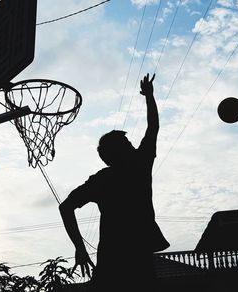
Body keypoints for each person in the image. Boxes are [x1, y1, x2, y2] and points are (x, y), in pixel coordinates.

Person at [59, 73, 169, 290]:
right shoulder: (140, 165)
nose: (131, 144)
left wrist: (79, 248)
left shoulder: (102, 179)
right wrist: (149, 96)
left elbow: (65, 208)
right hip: (136, 257)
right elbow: (153, 127)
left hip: (113, 258)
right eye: (127, 142)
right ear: (119, 152)